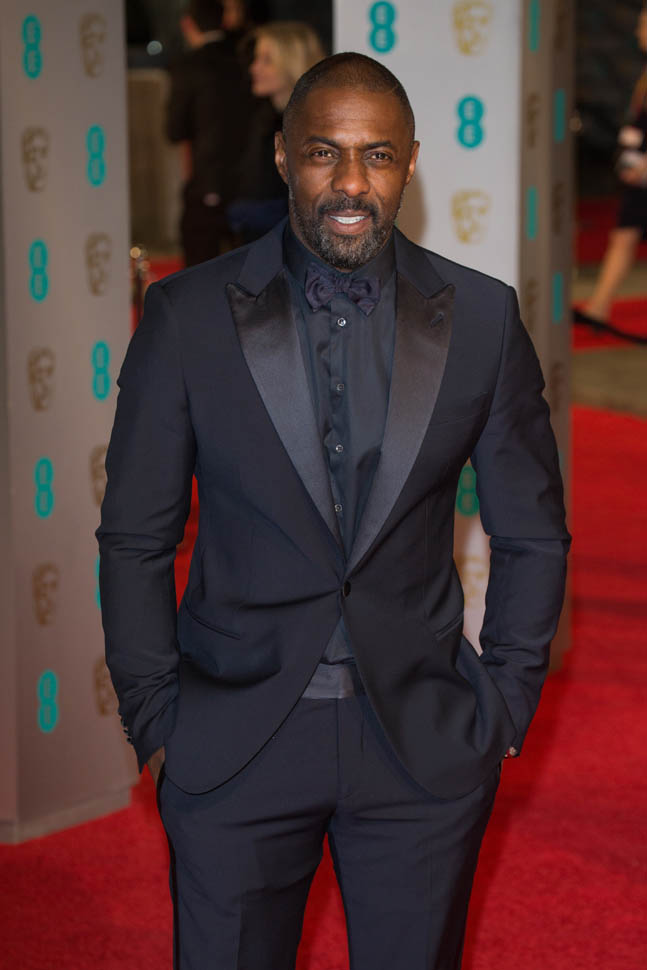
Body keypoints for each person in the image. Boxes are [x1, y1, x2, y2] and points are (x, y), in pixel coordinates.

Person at [98, 53, 570, 970]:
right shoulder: (188, 316)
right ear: (283, 156)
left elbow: (532, 529)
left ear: (410, 162)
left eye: (377, 155)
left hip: (422, 745)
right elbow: (134, 538)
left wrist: (504, 703)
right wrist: (157, 719)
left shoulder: (480, 319)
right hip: (233, 742)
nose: (351, 182)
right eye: (324, 152)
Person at [574, 7, 647, 336]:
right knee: (623, 235)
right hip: (639, 175)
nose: (638, 31)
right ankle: (599, 307)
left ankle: (599, 307)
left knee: (624, 236)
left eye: (644, 24)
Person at [166, 0, 252, 265]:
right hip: (252, 181)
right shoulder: (245, 57)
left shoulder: (189, 65)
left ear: (188, 25)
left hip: (208, 180)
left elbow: (174, 129)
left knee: (198, 267)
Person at [227, 21, 325, 242]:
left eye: (267, 60)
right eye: (256, 58)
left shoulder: (312, 125)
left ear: (292, 63)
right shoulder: (261, 117)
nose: (254, 68)